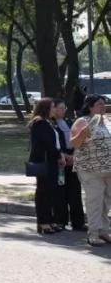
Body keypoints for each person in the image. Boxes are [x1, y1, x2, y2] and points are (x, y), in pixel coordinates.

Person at [70, 94, 111, 246]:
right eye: (100, 104)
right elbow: (74, 143)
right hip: (90, 168)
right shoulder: (83, 121)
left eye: (104, 104)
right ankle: (93, 233)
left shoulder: (107, 121)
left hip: (108, 169)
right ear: (90, 106)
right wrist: (84, 132)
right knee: (95, 200)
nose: (103, 106)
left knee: (107, 201)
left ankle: (104, 231)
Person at [28, 98, 63, 235]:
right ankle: (43, 222)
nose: (55, 109)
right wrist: (59, 155)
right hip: (44, 161)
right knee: (44, 192)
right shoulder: (40, 122)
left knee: (51, 192)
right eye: (53, 107)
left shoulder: (49, 122)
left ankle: (50, 219)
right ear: (46, 108)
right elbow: (47, 143)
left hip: (51, 161)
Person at [52, 99, 86, 231]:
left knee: (75, 192)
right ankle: (60, 220)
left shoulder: (70, 122)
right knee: (60, 192)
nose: (63, 110)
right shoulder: (51, 124)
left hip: (73, 161)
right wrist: (63, 155)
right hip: (60, 162)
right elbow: (52, 144)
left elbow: (79, 139)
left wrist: (74, 155)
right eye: (60, 108)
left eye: (64, 108)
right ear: (53, 109)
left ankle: (78, 222)